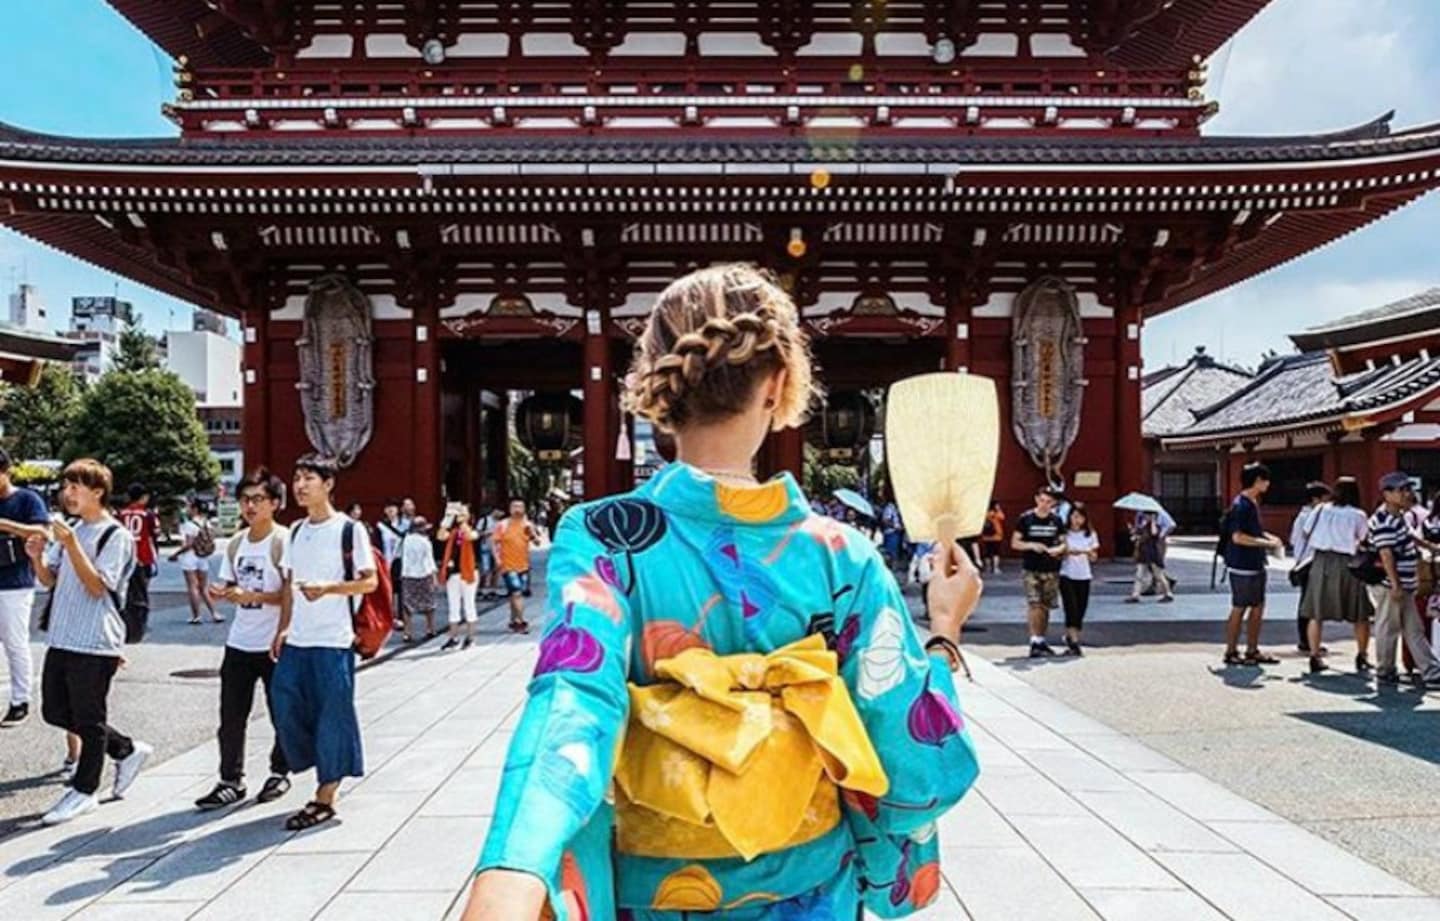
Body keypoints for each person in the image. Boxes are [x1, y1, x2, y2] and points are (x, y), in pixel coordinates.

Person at [461, 263, 980, 921]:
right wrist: (943, 635)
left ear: (658, 384)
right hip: (812, 896)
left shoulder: (600, 537)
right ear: (782, 384)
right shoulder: (841, 555)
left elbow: (573, 697)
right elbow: (916, 768)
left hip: (653, 899)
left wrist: (516, 864)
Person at [31, 458, 149, 825]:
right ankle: (125, 750)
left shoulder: (116, 536)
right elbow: (50, 581)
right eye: (65, 487)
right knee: (54, 710)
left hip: (96, 639)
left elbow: (98, 585)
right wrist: (37, 558)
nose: (68, 494)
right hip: (63, 634)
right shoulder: (71, 530)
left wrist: (71, 544)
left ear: (97, 492)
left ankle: (84, 791)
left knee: (88, 716)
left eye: (76, 487)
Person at [272, 455, 377, 830]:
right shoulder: (296, 531)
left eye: (308, 478)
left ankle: (325, 795)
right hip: (298, 638)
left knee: (334, 715)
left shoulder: (350, 530)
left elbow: (370, 582)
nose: (300, 485)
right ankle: (318, 762)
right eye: (296, 478)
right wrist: (282, 627)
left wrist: (330, 588)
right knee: (283, 703)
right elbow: (289, 585)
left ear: (328, 484)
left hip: (333, 639)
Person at [196, 467, 292, 810]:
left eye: (258, 499)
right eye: (245, 499)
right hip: (239, 642)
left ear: (275, 503)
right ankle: (230, 780)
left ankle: (280, 771)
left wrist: (263, 606)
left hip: (273, 642)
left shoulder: (283, 541)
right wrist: (222, 593)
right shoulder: (237, 542)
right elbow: (231, 586)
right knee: (231, 716)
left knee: (281, 711)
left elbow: (290, 594)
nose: (250, 506)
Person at [1368, 472, 1440, 687]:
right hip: (1391, 584)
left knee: (1413, 628)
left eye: (1408, 489)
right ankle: (1385, 669)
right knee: (1388, 627)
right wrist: (1396, 584)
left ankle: (1430, 670)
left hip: (1405, 582)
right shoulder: (1383, 520)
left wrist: (1431, 547)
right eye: (1401, 490)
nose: (1406, 494)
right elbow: (1386, 554)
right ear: (1387, 494)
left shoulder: (1397, 516)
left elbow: (1410, 537)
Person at [0, 447, 55, 726]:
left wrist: (6, 525)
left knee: (14, 641)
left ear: (5, 471)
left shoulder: (26, 499)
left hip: (15, 582)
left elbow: (43, 532)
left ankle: (20, 699)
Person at [1297, 477, 1371, 675]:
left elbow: (1305, 533)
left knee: (1316, 612)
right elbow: (1364, 538)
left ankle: (1314, 655)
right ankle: (1362, 655)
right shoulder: (1358, 514)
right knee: (1359, 612)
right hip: (1348, 562)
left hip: (1321, 561)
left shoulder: (1320, 509)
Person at [1221, 462, 1285, 666]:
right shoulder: (1242, 505)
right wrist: (1266, 543)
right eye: (1265, 479)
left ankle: (1252, 649)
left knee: (1257, 606)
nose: (1268, 483)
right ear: (1257, 481)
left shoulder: (1251, 502)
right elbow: (1238, 537)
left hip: (1254, 562)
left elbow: (1253, 532)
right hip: (1243, 564)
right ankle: (1231, 651)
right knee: (1240, 606)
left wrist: (1270, 538)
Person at [1012, 485, 1067, 657]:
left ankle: (1041, 639)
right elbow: (1015, 543)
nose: (1044, 504)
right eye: (1042, 500)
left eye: (1048, 502)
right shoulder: (1026, 519)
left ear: (1053, 503)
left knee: (1045, 606)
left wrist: (1058, 550)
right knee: (1034, 603)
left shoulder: (1057, 520)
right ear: (1036, 499)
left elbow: (1063, 542)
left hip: (1051, 568)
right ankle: (1034, 640)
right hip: (1031, 567)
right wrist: (1031, 545)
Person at [1289, 481, 1333, 654]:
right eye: (1325, 499)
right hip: (1312, 563)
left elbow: (1293, 540)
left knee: (1305, 602)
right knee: (1310, 604)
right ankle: (1307, 641)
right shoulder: (1314, 517)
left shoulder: (1301, 517)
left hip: (1302, 562)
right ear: (1315, 499)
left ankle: (1305, 639)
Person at [115, 482, 162, 645]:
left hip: (124, 557)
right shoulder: (148, 515)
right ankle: (139, 624)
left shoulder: (121, 514)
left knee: (125, 591)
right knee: (142, 592)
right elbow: (154, 536)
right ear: (143, 497)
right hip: (143, 557)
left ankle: (124, 622)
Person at [493, 498, 540, 633]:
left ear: (524, 509)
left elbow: (537, 542)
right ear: (510, 509)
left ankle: (513, 619)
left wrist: (532, 533)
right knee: (517, 592)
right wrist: (497, 558)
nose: (517, 509)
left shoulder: (527, 525)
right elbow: (495, 542)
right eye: (514, 506)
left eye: (520, 506)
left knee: (515, 594)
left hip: (523, 564)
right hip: (507, 564)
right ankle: (521, 621)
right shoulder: (503, 524)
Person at [437, 505, 481, 650]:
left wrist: (463, 522)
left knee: (469, 605)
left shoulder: (472, 530)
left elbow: (470, 536)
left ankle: (471, 637)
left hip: (468, 572)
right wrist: (447, 519)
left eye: (463, 512)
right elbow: (440, 536)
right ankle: (453, 637)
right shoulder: (452, 532)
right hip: (453, 573)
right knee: (453, 605)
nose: (460, 515)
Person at [1059, 502, 1100, 657]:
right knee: (1071, 607)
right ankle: (1075, 643)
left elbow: (1094, 556)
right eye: (1074, 516)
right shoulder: (1064, 533)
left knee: (1081, 608)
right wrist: (1068, 551)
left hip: (1084, 574)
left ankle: (1070, 635)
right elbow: (1060, 551)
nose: (1077, 520)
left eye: (1080, 517)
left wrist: (1088, 553)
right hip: (1066, 573)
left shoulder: (1090, 534)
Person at [172, 498, 221, 625]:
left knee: (192, 586)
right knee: (204, 587)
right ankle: (214, 613)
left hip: (190, 557)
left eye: (189, 507)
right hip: (203, 557)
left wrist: (175, 554)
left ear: (195, 509)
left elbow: (188, 544)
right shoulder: (207, 523)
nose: (187, 509)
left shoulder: (189, 525)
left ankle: (196, 616)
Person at [398, 516, 438, 642]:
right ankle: (430, 628)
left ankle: (407, 632)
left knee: (407, 605)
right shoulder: (425, 541)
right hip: (424, 574)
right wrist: (434, 577)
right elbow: (429, 560)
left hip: (408, 575)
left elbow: (404, 558)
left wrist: (403, 573)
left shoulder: (406, 540)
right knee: (429, 603)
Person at [1126, 510, 1175, 603]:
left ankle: (1168, 593)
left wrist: (1152, 521)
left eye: (1147, 515)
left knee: (1158, 575)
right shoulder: (1143, 525)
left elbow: (1154, 533)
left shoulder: (1155, 525)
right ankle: (1135, 595)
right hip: (1143, 553)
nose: (1145, 516)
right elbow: (1138, 535)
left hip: (1152, 553)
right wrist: (1134, 532)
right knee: (1139, 574)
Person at [376, 499, 407, 626]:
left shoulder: (405, 524)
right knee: (388, 589)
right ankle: (389, 616)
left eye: (393, 508)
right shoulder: (381, 526)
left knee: (401, 590)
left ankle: (402, 617)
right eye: (388, 509)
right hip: (386, 560)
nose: (391, 511)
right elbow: (377, 544)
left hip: (400, 559)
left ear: (398, 510)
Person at [980, 500, 1005, 574]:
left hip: (986, 537)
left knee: (987, 553)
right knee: (996, 553)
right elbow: (1003, 517)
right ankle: (995, 568)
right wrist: (998, 510)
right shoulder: (997, 514)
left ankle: (988, 567)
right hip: (996, 536)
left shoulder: (985, 513)